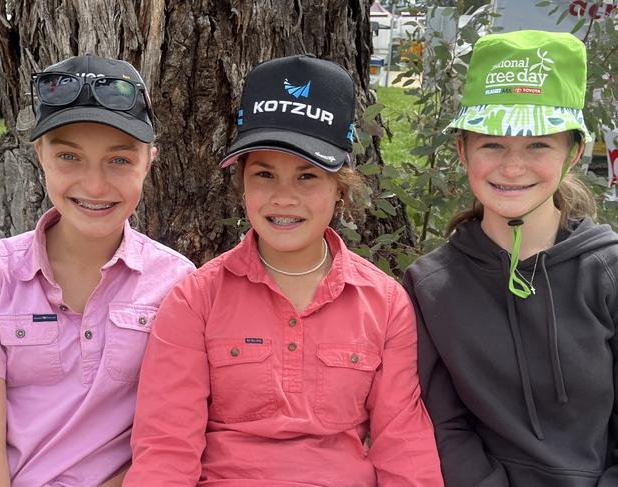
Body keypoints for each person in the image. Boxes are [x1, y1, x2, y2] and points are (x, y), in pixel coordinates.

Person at [124, 54, 444, 486]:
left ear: (340, 188)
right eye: (265, 175)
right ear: (242, 183)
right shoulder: (196, 299)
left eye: (308, 176)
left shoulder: (384, 304)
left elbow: (402, 442)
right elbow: (166, 449)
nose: (284, 197)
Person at [402, 30, 618, 486]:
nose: (513, 167)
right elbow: (441, 423)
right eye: (492, 144)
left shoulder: (609, 273)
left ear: (573, 153)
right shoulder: (430, 286)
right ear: (463, 151)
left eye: (538, 144)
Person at [0, 54, 195, 486]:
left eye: (119, 160)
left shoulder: (177, 285)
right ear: (40, 155)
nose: (94, 186)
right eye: (69, 157)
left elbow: (171, 442)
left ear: (149, 160)